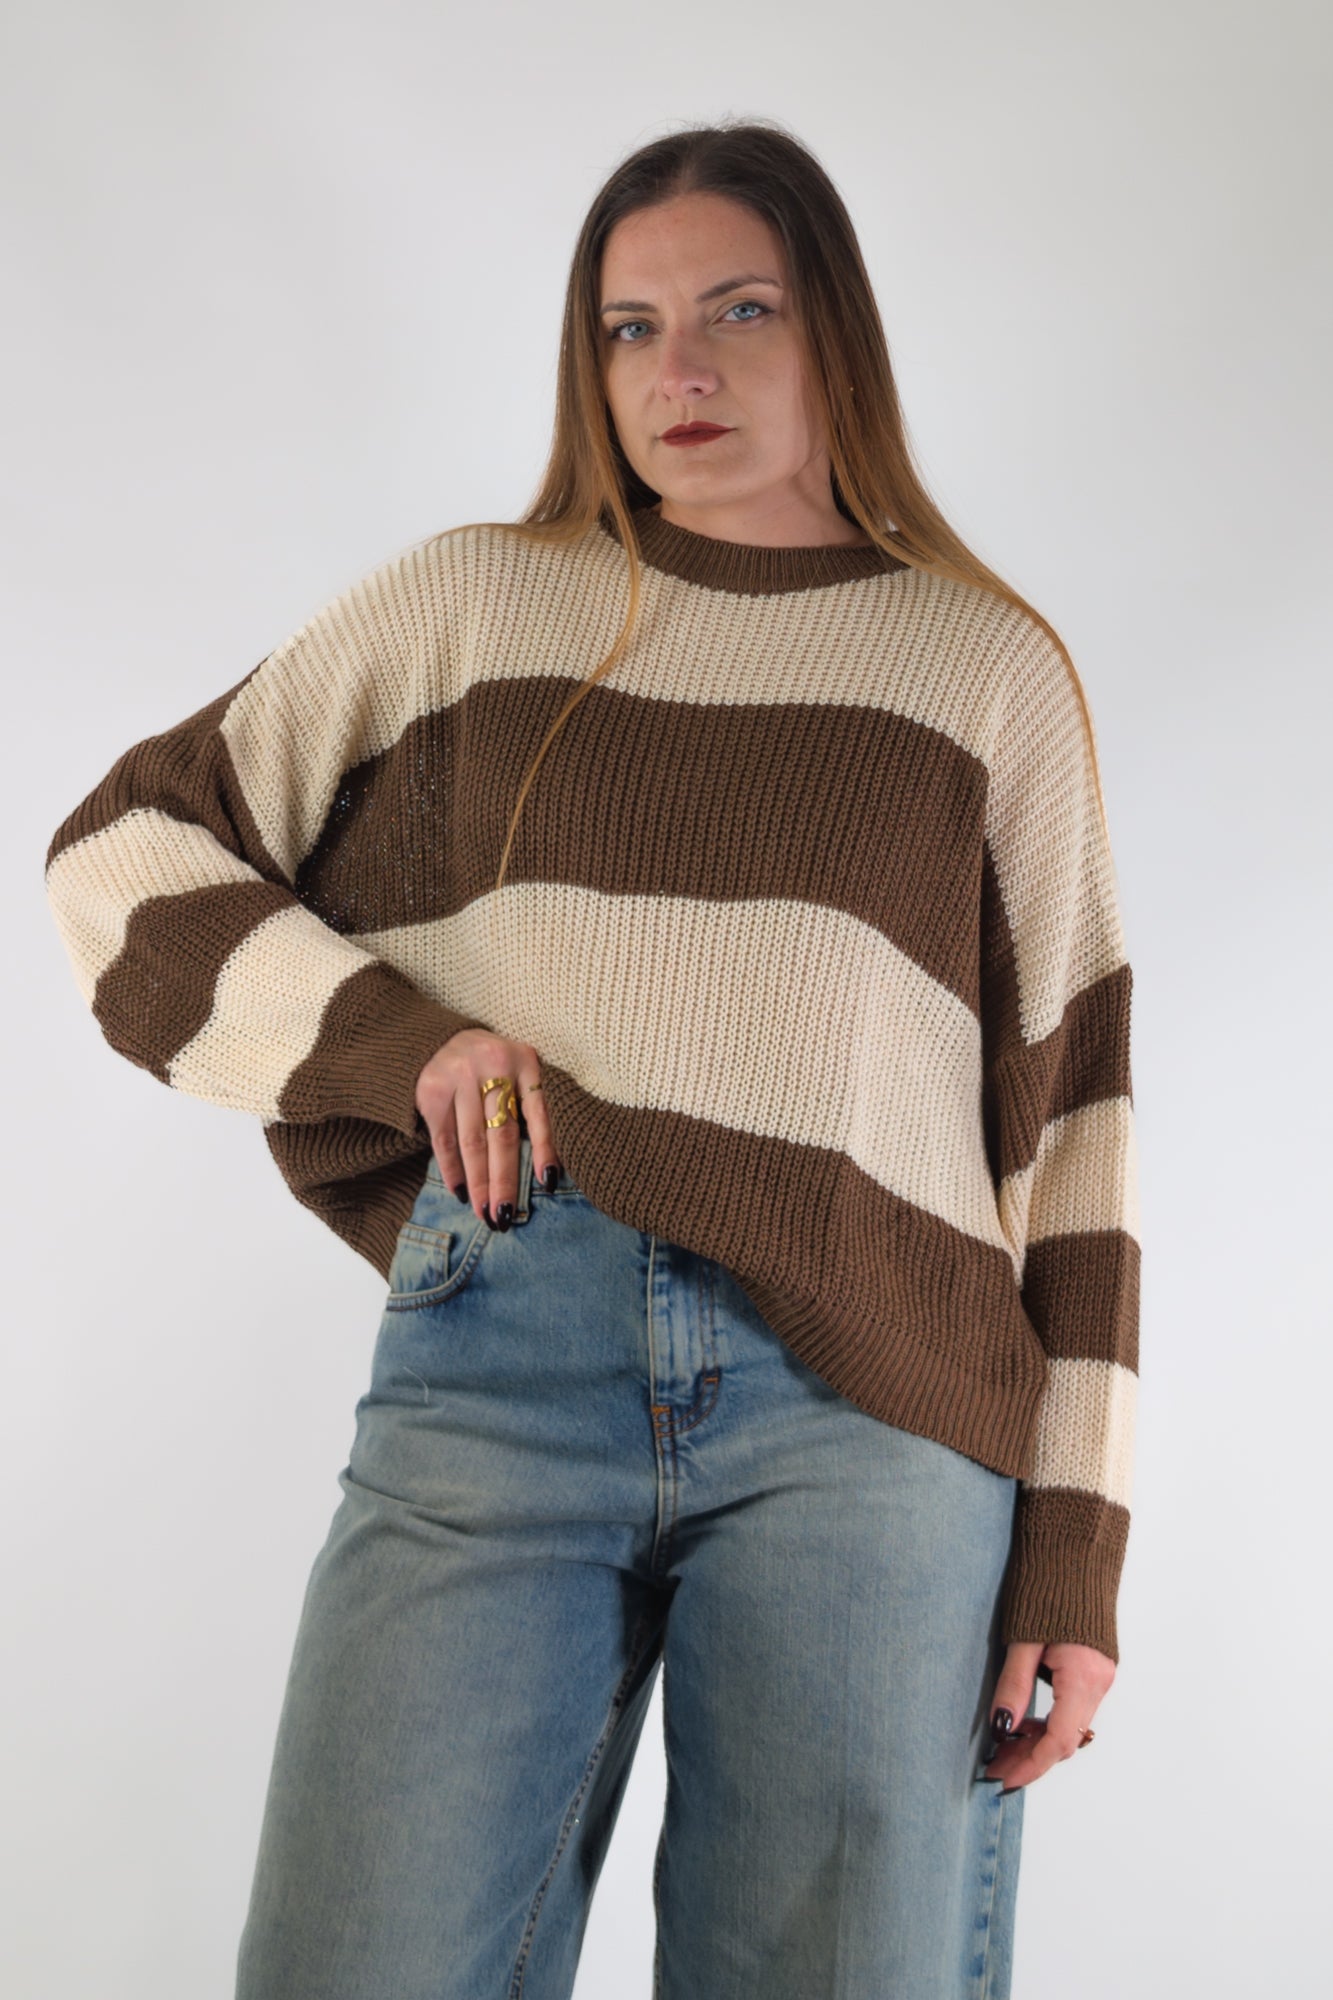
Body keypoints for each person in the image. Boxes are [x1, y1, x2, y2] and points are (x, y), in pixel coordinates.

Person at [44, 119, 1139, 2000]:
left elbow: (1080, 1132)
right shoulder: (472, 604)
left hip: (873, 1402)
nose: (677, 369)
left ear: (834, 334)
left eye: (737, 311)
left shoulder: (982, 670)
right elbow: (122, 853)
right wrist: (395, 1043)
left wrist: (1074, 1555)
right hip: (502, 1356)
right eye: (630, 328)